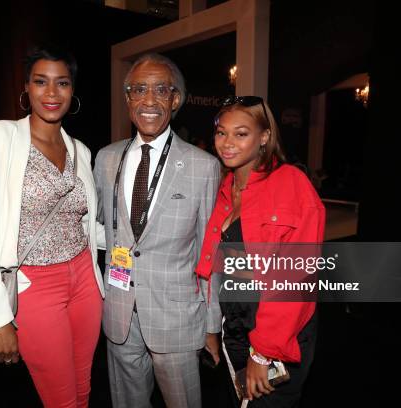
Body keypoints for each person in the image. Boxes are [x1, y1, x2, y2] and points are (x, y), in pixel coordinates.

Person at [0, 46, 104, 408]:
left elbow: (86, 223)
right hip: (33, 287)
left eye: (62, 83)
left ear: (73, 91)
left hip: (85, 282)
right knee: (60, 399)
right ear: (26, 88)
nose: (52, 93)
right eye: (41, 82)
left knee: (84, 389)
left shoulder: (81, 151)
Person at [93, 53, 222, 408]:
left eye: (161, 90)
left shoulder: (203, 166)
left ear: (175, 98)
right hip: (120, 312)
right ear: (128, 98)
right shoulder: (106, 158)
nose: (149, 100)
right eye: (139, 89)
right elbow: (104, 229)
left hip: (176, 317)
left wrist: (212, 324)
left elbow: (208, 253)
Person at [196, 96, 325, 407]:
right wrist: (213, 328)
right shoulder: (226, 188)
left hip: (274, 333)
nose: (227, 143)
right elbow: (217, 269)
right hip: (234, 329)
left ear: (264, 136)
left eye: (241, 134)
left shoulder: (292, 183)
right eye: (221, 132)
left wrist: (263, 351)